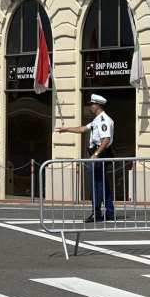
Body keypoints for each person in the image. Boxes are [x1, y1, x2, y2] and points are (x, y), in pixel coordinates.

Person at [56, 93, 115, 222]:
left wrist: (96, 154)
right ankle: (109, 212)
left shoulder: (104, 120)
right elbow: (83, 129)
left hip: (101, 154)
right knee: (102, 184)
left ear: (98, 105)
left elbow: (106, 139)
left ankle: (96, 213)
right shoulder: (97, 120)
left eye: (92, 104)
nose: (90, 107)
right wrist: (67, 129)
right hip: (99, 153)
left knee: (97, 184)